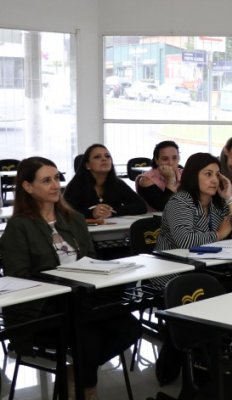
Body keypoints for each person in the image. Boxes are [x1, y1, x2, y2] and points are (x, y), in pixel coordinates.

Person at [0, 157, 140, 400]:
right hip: (42, 308)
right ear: (28, 187)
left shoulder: (73, 219)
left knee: (130, 327)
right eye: (46, 180)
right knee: (88, 337)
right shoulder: (18, 226)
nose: (55, 185)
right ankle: (88, 391)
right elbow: (18, 279)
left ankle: (74, 374)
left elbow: (90, 258)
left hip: (82, 298)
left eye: (56, 178)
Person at [155, 153, 232, 251]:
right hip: (175, 262)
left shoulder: (220, 202)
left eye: (217, 175)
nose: (215, 180)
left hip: (210, 261)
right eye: (208, 174)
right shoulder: (179, 201)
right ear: (193, 176)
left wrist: (230, 198)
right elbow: (185, 241)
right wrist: (220, 234)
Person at [63, 144, 147, 219]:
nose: (104, 159)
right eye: (97, 157)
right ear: (87, 165)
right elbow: (64, 213)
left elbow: (141, 206)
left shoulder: (117, 183)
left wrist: (112, 211)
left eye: (107, 156)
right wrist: (92, 213)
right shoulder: (76, 185)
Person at [136, 140, 182, 211]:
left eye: (174, 158)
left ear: (179, 158)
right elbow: (164, 207)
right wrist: (170, 180)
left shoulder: (184, 173)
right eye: (165, 159)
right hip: (155, 219)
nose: (170, 163)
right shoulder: (146, 180)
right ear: (157, 160)